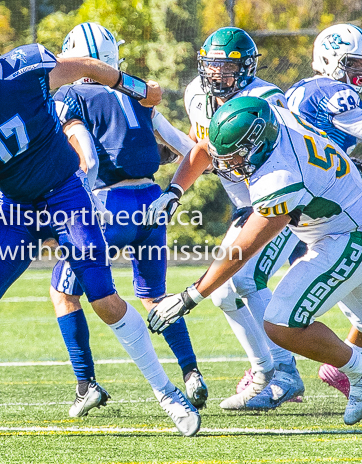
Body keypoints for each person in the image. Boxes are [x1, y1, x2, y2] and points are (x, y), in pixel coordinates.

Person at [0, 29, 201, 437]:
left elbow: (83, 66)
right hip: (16, 208)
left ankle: (168, 393)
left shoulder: (22, 70)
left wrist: (135, 88)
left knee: (103, 296)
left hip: (67, 194)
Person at [147, 96, 362, 425]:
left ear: (257, 146)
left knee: (281, 322)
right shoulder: (269, 119)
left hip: (346, 234)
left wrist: (190, 296)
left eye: (235, 156)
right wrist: (173, 192)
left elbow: (242, 250)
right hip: (333, 220)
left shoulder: (281, 176)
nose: (227, 164)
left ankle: (357, 370)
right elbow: (206, 149)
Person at [48, 22, 206, 418]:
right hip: (153, 201)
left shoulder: (69, 94)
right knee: (155, 296)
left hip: (108, 203)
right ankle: (191, 372)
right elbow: (188, 147)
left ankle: (86, 384)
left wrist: (78, 192)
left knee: (64, 292)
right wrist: (179, 188)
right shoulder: (136, 96)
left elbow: (87, 151)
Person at [148, 27, 305, 410]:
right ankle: (265, 370)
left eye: (228, 68)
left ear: (247, 69)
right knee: (221, 291)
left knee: (246, 277)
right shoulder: (196, 95)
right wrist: (175, 189)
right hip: (245, 205)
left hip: (286, 203)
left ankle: (284, 372)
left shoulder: (266, 99)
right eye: (213, 66)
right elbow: (203, 144)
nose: (218, 75)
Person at [286, 23, 362, 399]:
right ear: (332, 60)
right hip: (340, 212)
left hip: (314, 213)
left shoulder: (302, 90)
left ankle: (343, 366)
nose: (360, 74)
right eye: (356, 65)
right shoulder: (334, 91)